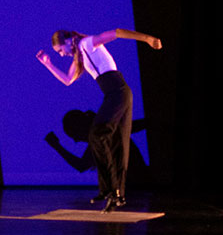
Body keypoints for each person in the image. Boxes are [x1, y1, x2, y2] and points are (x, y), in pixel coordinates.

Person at [36, 28, 161, 212]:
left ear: (68, 40)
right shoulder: (80, 56)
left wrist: (148, 38)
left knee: (97, 134)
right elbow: (68, 80)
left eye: (60, 50)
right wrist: (48, 64)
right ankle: (113, 193)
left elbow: (117, 32)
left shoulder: (88, 43)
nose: (62, 54)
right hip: (114, 94)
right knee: (116, 142)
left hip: (118, 93)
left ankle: (113, 190)